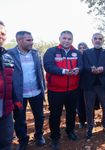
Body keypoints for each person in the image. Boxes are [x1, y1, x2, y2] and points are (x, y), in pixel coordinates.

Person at [43, 30, 83, 149]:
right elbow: (48, 66)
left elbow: (81, 65)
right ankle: (55, 137)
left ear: (72, 40)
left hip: (73, 89)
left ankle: (70, 131)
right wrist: (63, 71)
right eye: (64, 38)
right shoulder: (52, 51)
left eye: (69, 39)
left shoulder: (76, 52)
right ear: (60, 38)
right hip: (55, 90)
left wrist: (78, 70)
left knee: (71, 112)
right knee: (55, 114)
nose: (66, 41)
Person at [8, 31, 46, 150]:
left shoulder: (35, 53)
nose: (32, 42)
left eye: (32, 40)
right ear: (19, 41)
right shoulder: (10, 54)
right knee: (19, 118)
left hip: (36, 93)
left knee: (39, 116)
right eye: (28, 40)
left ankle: (39, 136)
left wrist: (43, 89)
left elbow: (40, 71)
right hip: (19, 96)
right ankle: (23, 140)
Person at [82, 33, 105, 139]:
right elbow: (84, 65)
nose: (98, 40)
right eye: (95, 39)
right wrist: (91, 69)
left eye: (100, 39)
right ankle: (90, 127)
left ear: (103, 40)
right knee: (89, 107)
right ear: (92, 40)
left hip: (104, 85)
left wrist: (103, 69)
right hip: (89, 85)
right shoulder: (86, 53)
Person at [0, 20, 17, 150]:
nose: (1, 36)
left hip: (6, 108)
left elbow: (12, 82)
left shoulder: (7, 57)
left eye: (3, 33)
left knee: (6, 141)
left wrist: (16, 103)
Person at [77, 42, 88, 128]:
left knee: (89, 103)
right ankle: (81, 121)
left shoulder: (89, 56)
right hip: (78, 84)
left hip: (89, 83)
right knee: (80, 103)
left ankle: (90, 120)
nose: (82, 49)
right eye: (80, 48)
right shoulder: (76, 57)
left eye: (83, 48)